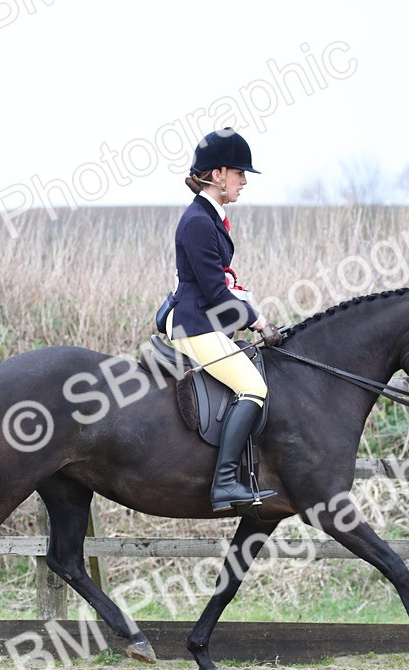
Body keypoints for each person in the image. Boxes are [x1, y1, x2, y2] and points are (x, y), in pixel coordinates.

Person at [162, 128, 280, 512]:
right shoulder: (198, 221)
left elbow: (222, 281)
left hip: (204, 321)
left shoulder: (210, 218)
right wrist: (258, 320)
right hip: (195, 324)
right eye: (239, 174)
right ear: (218, 175)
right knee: (253, 387)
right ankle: (226, 483)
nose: (244, 182)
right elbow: (215, 293)